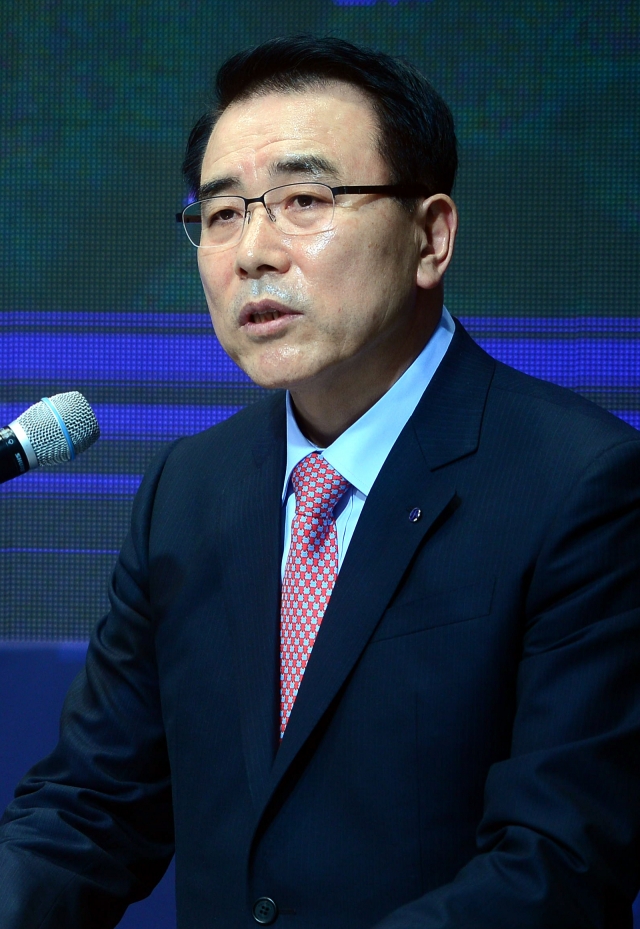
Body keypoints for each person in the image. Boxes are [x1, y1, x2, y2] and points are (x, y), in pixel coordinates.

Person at [1, 34, 639, 929]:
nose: (254, 251)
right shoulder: (190, 489)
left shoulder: (581, 484)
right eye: (221, 215)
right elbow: (92, 811)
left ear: (431, 236)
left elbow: (561, 862)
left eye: (305, 200)